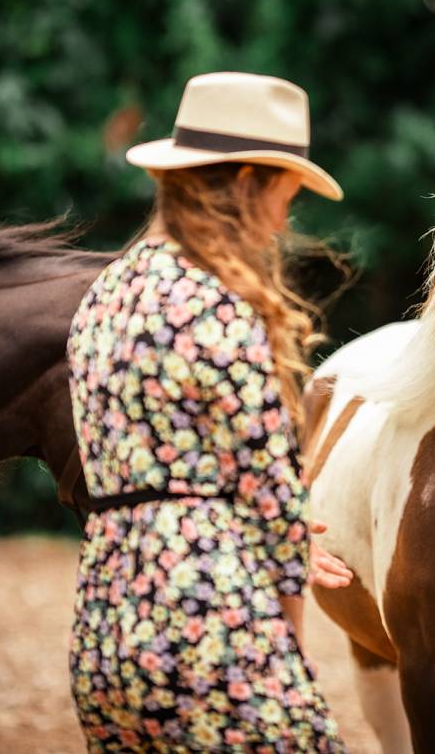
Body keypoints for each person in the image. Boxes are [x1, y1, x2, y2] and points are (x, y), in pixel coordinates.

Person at [66, 71, 347, 751]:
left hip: (104, 628)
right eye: (284, 194)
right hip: (209, 628)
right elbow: (274, 502)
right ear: (247, 182)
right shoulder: (219, 306)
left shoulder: (103, 295)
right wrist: (291, 658)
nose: (284, 221)